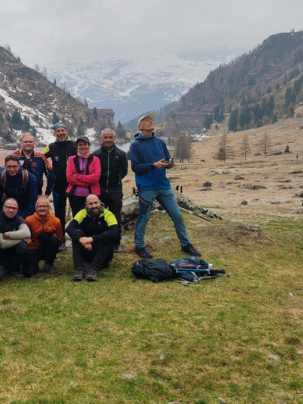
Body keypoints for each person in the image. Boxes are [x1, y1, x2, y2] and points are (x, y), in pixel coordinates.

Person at [130, 114, 201, 258]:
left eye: (151, 120)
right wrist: (153, 165)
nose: (150, 121)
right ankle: (139, 246)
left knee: (177, 216)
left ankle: (185, 244)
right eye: (146, 120)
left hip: (164, 186)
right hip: (146, 187)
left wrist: (169, 164)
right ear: (140, 127)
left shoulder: (160, 142)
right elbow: (135, 167)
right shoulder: (135, 144)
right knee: (143, 218)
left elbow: (167, 160)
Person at [66, 194, 120, 282]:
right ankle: (79, 269)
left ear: (100, 202)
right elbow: (69, 228)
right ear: (86, 205)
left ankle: (94, 269)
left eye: (96, 203)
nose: (94, 206)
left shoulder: (108, 214)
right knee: (77, 233)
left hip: (104, 255)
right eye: (90, 204)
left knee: (108, 235)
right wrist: (81, 239)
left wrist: (91, 239)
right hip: (87, 250)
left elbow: (114, 233)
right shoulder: (82, 213)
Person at [93, 128, 128, 250]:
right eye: (105, 137)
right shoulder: (96, 155)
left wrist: (115, 181)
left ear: (114, 138)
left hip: (115, 190)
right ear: (101, 138)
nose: (108, 140)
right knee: (98, 216)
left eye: (110, 137)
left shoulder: (121, 154)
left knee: (115, 217)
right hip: (100, 190)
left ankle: (115, 242)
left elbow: (124, 172)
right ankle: (99, 241)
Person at [43, 123, 77, 228]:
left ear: (66, 131)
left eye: (62, 130)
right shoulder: (51, 146)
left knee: (77, 211)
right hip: (58, 185)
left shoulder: (74, 145)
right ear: (54, 133)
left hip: (74, 185)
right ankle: (60, 239)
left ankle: (78, 239)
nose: (60, 133)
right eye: (58, 131)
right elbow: (41, 157)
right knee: (59, 213)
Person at [25, 196, 64, 275]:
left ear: (49, 207)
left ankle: (49, 264)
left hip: (48, 248)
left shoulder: (56, 221)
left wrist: (50, 236)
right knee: (30, 272)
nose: (42, 208)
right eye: (40, 206)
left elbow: (60, 239)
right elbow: (25, 238)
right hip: (33, 249)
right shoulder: (28, 220)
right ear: (36, 208)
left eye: (44, 206)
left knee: (54, 239)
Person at [0, 198, 31, 279]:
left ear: (17, 210)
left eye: (14, 208)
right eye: (8, 207)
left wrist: (9, 235)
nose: (11, 210)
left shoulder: (18, 219)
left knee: (22, 246)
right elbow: (2, 244)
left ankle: (14, 269)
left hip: (12, 251)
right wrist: (21, 238)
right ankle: (3, 266)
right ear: (3, 208)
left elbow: (27, 233)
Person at [65, 136, 101, 219]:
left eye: (85, 144)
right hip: (75, 195)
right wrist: (87, 182)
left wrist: (78, 176)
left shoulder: (95, 159)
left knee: (92, 217)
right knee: (77, 218)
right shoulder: (71, 159)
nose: (83, 146)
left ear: (89, 145)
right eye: (80, 145)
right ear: (77, 147)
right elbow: (69, 178)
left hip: (92, 195)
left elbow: (95, 178)